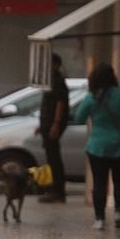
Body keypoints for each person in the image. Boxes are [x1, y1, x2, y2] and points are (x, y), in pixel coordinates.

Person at [73, 62, 120, 230]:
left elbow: (79, 118)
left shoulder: (91, 98)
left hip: (97, 147)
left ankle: (100, 219)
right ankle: (119, 214)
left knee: (99, 183)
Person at [36, 53, 69, 203]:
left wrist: (55, 124)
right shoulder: (49, 81)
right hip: (47, 124)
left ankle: (58, 190)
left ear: (55, 64)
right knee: (51, 156)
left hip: (52, 125)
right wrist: (41, 125)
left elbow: (60, 103)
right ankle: (54, 188)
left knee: (54, 157)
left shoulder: (58, 80)